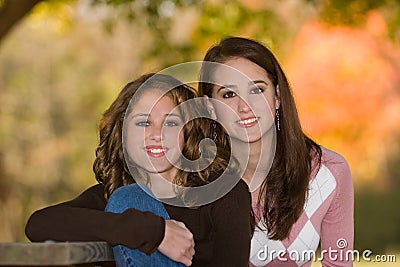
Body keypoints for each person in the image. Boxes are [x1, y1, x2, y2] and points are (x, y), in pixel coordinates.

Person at [25, 73, 254, 266]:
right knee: (129, 196)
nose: (156, 134)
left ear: (187, 134)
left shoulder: (225, 192)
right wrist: (153, 231)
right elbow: (39, 225)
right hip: (126, 197)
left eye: (171, 123)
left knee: (130, 197)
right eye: (144, 122)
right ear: (123, 134)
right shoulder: (111, 195)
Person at [198, 37, 354, 266]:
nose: (245, 106)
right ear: (209, 107)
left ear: (277, 96)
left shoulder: (328, 173)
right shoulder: (194, 180)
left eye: (257, 89)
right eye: (229, 94)